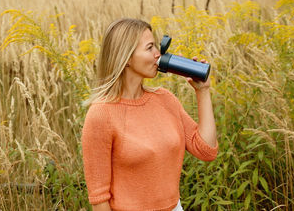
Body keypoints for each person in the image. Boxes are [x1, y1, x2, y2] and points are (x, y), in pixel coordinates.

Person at [81, 18, 218, 211]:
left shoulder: (165, 99)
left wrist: (202, 92)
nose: (158, 54)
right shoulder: (101, 114)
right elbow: (99, 199)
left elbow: (206, 150)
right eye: (150, 48)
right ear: (126, 58)